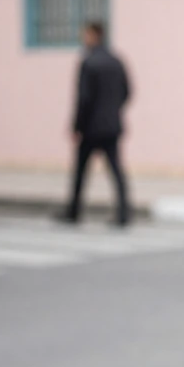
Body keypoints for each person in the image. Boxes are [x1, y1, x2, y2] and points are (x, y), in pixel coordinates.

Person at [57, 21, 133, 226]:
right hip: (112, 124)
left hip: (91, 127)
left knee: (81, 171)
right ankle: (124, 213)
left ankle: (74, 211)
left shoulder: (88, 62)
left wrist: (77, 126)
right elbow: (127, 92)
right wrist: (113, 110)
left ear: (93, 35)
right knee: (116, 171)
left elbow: (83, 99)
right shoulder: (117, 61)